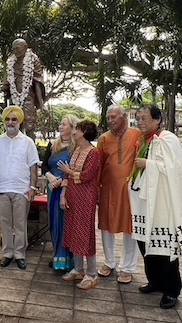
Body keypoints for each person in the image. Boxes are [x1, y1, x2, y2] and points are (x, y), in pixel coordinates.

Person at [131, 104, 182, 309]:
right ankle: (155, 281)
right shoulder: (145, 140)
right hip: (145, 201)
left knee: (164, 247)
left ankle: (171, 290)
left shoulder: (167, 138)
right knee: (145, 244)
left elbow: (174, 168)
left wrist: (148, 164)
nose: (140, 122)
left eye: (144, 118)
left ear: (157, 120)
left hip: (163, 202)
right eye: (138, 118)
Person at [0, 105, 40, 270]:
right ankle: (7, 253)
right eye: (8, 119)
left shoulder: (28, 142)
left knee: (20, 223)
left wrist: (32, 187)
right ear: (4, 122)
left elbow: (33, 167)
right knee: (5, 223)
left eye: (14, 119)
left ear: (19, 122)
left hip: (22, 190)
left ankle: (19, 254)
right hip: (2, 189)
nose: (11, 122)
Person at [97, 106, 142, 284]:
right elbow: (98, 165)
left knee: (130, 229)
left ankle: (128, 268)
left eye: (114, 117)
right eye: (108, 118)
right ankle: (109, 262)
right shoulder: (103, 139)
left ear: (124, 117)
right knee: (107, 227)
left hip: (130, 191)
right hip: (108, 189)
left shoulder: (137, 135)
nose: (110, 120)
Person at [58, 120, 101, 290]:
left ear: (83, 132)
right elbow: (69, 178)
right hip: (73, 198)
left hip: (86, 199)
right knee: (73, 231)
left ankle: (92, 274)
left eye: (76, 129)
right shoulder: (77, 150)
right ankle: (78, 269)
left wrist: (68, 171)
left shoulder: (93, 153)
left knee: (86, 233)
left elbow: (87, 176)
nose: (74, 131)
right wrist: (64, 195)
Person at [41, 114, 78, 271]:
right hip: (52, 189)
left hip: (68, 190)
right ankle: (58, 257)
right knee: (54, 223)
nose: (61, 127)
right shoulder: (52, 145)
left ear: (72, 127)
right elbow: (44, 166)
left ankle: (71, 261)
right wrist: (50, 177)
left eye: (64, 124)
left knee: (67, 224)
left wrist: (63, 181)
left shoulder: (77, 147)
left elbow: (77, 169)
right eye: (61, 124)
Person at [3, 38, 45, 139]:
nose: (16, 51)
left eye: (18, 49)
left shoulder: (33, 59)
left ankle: (31, 150)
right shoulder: (10, 62)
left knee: (30, 125)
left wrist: (41, 102)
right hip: (14, 97)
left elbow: (38, 82)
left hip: (29, 97)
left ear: (25, 48)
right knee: (14, 124)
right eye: (13, 49)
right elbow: (6, 84)